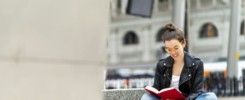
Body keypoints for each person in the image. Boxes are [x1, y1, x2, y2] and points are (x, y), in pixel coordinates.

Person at [141, 23, 217, 100]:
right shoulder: (161, 64)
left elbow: (197, 91)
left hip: (188, 99)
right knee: (146, 97)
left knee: (210, 97)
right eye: (169, 49)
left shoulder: (197, 63)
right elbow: (157, 88)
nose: (173, 52)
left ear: (183, 43)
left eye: (176, 48)